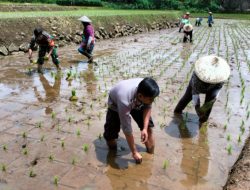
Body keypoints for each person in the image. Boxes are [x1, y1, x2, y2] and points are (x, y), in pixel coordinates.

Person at [103, 77, 160, 164]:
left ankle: (151, 155)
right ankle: (112, 155)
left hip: (137, 100)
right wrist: (134, 152)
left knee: (148, 129)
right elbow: (127, 129)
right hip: (116, 104)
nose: (152, 101)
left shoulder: (147, 90)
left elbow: (148, 107)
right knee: (110, 135)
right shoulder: (124, 101)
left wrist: (144, 128)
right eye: (151, 99)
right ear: (141, 96)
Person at [174, 55, 230, 123]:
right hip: (198, 84)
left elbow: (217, 89)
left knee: (209, 104)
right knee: (187, 97)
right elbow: (195, 95)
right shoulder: (198, 76)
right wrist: (198, 109)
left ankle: (203, 120)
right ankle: (177, 112)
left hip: (213, 88)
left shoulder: (221, 76)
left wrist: (213, 100)